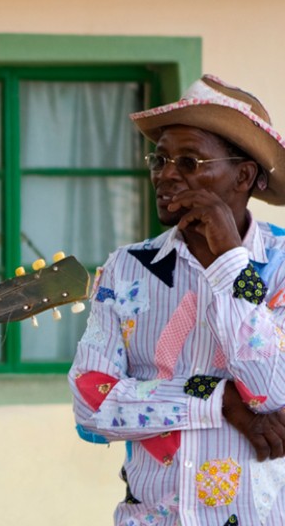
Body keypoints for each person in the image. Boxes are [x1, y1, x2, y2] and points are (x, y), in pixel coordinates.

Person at [69, 74, 285, 525]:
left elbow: (271, 390)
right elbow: (92, 403)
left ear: (243, 175)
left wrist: (230, 262)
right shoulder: (128, 268)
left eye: (189, 162)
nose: (166, 174)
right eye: (160, 158)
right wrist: (218, 399)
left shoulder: (281, 265)